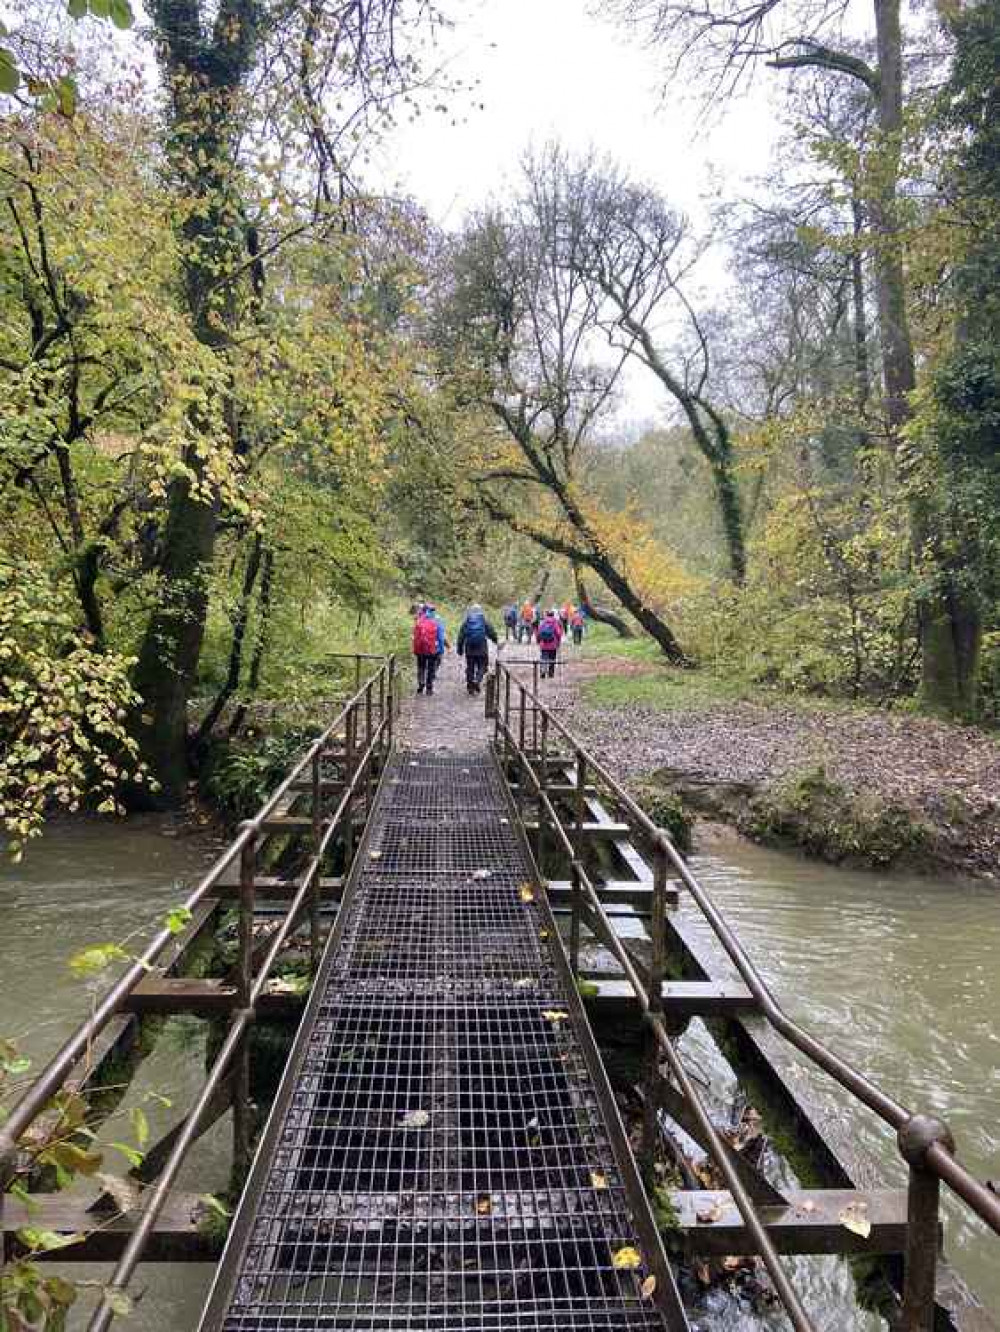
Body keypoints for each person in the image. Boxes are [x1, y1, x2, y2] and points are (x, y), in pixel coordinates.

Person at [457, 602, 498, 695]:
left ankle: (470, 687)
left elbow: (461, 636)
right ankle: (477, 680)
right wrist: (496, 640)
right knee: (483, 666)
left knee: (470, 667)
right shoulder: (484, 620)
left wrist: (459, 649)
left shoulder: (467, 621)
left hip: (469, 647)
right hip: (481, 647)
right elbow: (491, 632)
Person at [412, 604, 440, 695]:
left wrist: (415, 650)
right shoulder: (435, 621)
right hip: (431, 649)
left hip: (420, 650)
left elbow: (415, 637)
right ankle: (429, 688)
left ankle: (421, 683)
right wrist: (440, 650)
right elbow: (439, 637)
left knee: (421, 667)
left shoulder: (418, 622)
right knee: (431, 669)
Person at [536, 607, 563, 678]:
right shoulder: (555, 623)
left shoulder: (542, 622)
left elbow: (538, 633)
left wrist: (538, 641)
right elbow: (558, 633)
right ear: (553, 615)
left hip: (543, 644)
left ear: (546, 615)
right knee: (552, 659)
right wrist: (559, 642)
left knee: (543, 658)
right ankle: (551, 674)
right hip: (553, 645)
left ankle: (542, 672)